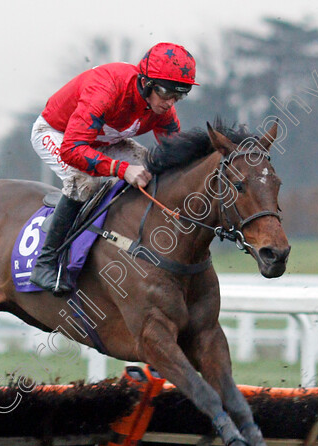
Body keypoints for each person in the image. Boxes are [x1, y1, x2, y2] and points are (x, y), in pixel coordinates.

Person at [29, 42, 198, 295]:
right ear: (147, 82)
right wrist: (121, 169)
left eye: (179, 94)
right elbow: (72, 149)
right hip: (59, 134)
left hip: (103, 140)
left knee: (152, 170)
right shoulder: (106, 89)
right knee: (84, 181)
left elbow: (177, 157)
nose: (170, 102)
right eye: (166, 93)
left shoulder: (162, 108)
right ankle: (46, 263)